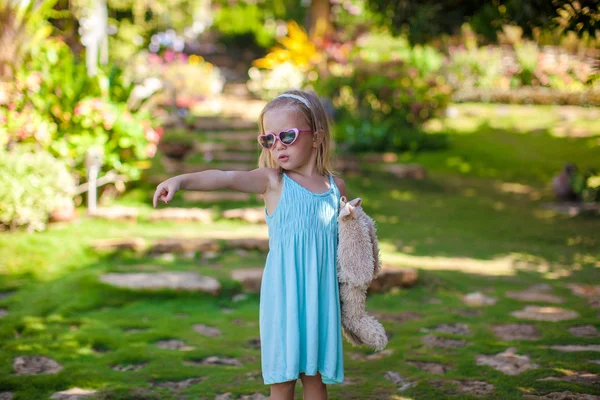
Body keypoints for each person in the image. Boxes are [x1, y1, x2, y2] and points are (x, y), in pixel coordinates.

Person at [153, 89, 347, 400]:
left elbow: (353, 239)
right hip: (284, 297)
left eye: (287, 135)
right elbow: (227, 177)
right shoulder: (274, 182)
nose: (278, 146)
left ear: (317, 137)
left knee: (315, 378)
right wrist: (181, 180)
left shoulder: (336, 188)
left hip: (320, 296)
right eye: (269, 139)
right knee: (282, 380)